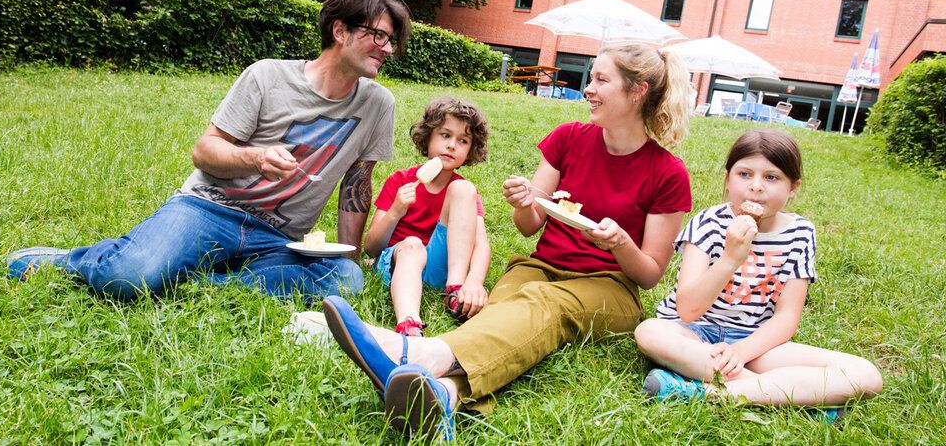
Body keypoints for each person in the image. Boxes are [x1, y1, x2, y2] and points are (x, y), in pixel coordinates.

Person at [320, 42, 693, 440]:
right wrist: (523, 203)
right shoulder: (568, 138)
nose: (588, 88)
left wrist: (620, 243)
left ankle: (418, 353)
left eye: (602, 80)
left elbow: (650, 274)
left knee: (543, 303)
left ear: (637, 91)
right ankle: (445, 395)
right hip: (540, 267)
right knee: (502, 317)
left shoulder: (668, 173)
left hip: (611, 286)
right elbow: (530, 226)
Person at [5, 0, 411, 301]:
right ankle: (71, 261)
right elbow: (204, 151)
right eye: (378, 35)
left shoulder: (378, 104)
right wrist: (256, 159)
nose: (387, 49)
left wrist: (346, 255)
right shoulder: (267, 76)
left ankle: (197, 281)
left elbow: (355, 186)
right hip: (208, 209)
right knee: (129, 278)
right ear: (340, 30)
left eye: (390, 40)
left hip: (278, 239)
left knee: (346, 279)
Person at [634, 129, 882, 418]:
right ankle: (791, 400)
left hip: (755, 342)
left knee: (865, 374)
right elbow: (687, 310)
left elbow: (787, 317)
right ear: (728, 179)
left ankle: (705, 392)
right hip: (693, 334)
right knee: (649, 332)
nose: (756, 187)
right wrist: (729, 259)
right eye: (744, 174)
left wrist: (741, 352)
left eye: (772, 177)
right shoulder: (708, 222)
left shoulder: (800, 233)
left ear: (793, 188)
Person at [364, 97, 492, 337]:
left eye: (463, 140)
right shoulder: (400, 180)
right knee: (413, 244)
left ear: (470, 151)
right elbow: (371, 247)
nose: (452, 145)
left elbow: (481, 245)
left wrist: (474, 281)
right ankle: (409, 322)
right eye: (445, 135)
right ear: (428, 137)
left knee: (464, 189)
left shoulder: (464, 191)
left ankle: (454, 290)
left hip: (437, 267)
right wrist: (395, 211)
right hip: (398, 263)